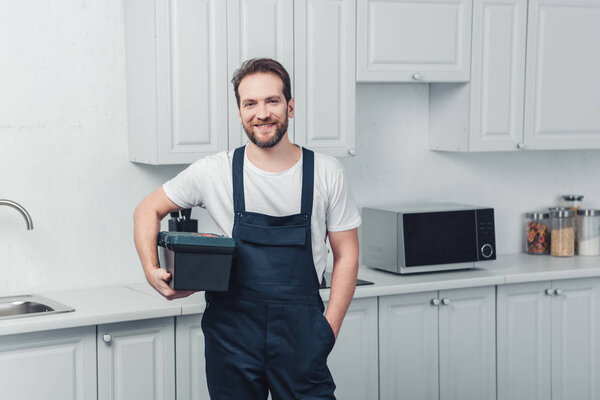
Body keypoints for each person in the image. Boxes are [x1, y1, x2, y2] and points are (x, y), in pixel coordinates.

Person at [133, 58, 361, 399]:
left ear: (290, 106)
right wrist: (152, 270)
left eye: (272, 101)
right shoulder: (214, 171)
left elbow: (347, 254)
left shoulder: (327, 172)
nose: (262, 113)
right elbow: (146, 209)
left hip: (302, 337)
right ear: (240, 112)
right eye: (250, 103)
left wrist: (328, 330)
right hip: (232, 339)